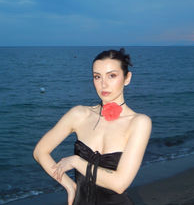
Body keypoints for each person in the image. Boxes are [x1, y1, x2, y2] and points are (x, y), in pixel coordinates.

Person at [33, 48, 152, 205]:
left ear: (127, 78)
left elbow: (119, 184)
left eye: (112, 75)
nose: (103, 84)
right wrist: (70, 186)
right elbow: (40, 152)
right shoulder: (79, 114)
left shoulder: (139, 122)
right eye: (97, 77)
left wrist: (76, 162)